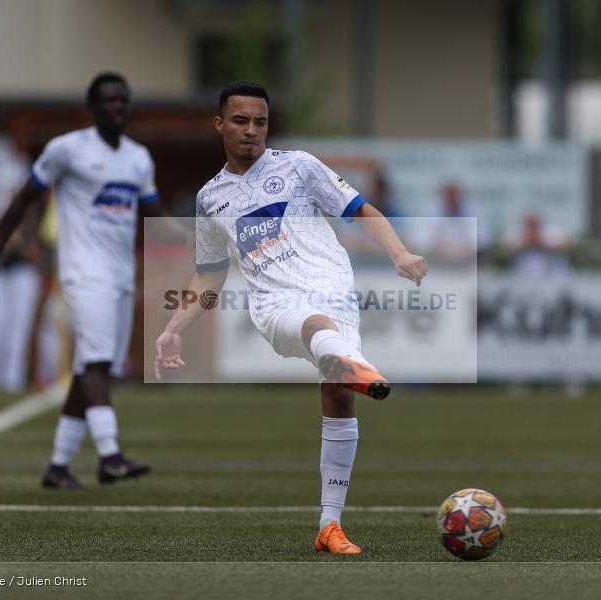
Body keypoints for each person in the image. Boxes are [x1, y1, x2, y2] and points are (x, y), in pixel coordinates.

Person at [154, 81, 428, 554]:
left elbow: (360, 209)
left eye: (260, 122)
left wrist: (399, 253)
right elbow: (209, 277)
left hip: (336, 292)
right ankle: (352, 366)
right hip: (275, 305)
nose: (251, 131)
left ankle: (329, 525)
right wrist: (172, 329)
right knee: (317, 332)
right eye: (240, 121)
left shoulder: (299, 167)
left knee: (339, 397)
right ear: (220, 124)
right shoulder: (210, 199)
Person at [0, 72, 161, 489]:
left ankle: (58, 467)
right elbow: (23, 200)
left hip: (121, 275)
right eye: (108, 100)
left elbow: (156, 213)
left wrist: (198, 239)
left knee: (91, 369)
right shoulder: (66, 150)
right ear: (92, 108)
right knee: (95, 361)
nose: (117, 107)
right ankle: (110, 455)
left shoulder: (138, 158)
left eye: (122, 100)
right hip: (83, 271)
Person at [0, 153, 44, 392]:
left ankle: (12, 377)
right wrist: (0, 246)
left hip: (22, 276)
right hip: (0, 276)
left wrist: (19, 245)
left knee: (18, 331)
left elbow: (36, 255)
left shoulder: (31, 218)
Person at [501, 212, 571, 276]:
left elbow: (568, 246)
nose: (532, 228)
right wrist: (524, 244)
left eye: (534, 224)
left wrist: (541, 244)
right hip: (520, 277)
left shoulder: (553, 232)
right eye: (529, 225)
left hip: (552, 276)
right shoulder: (514, 234)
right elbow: (502, 252)